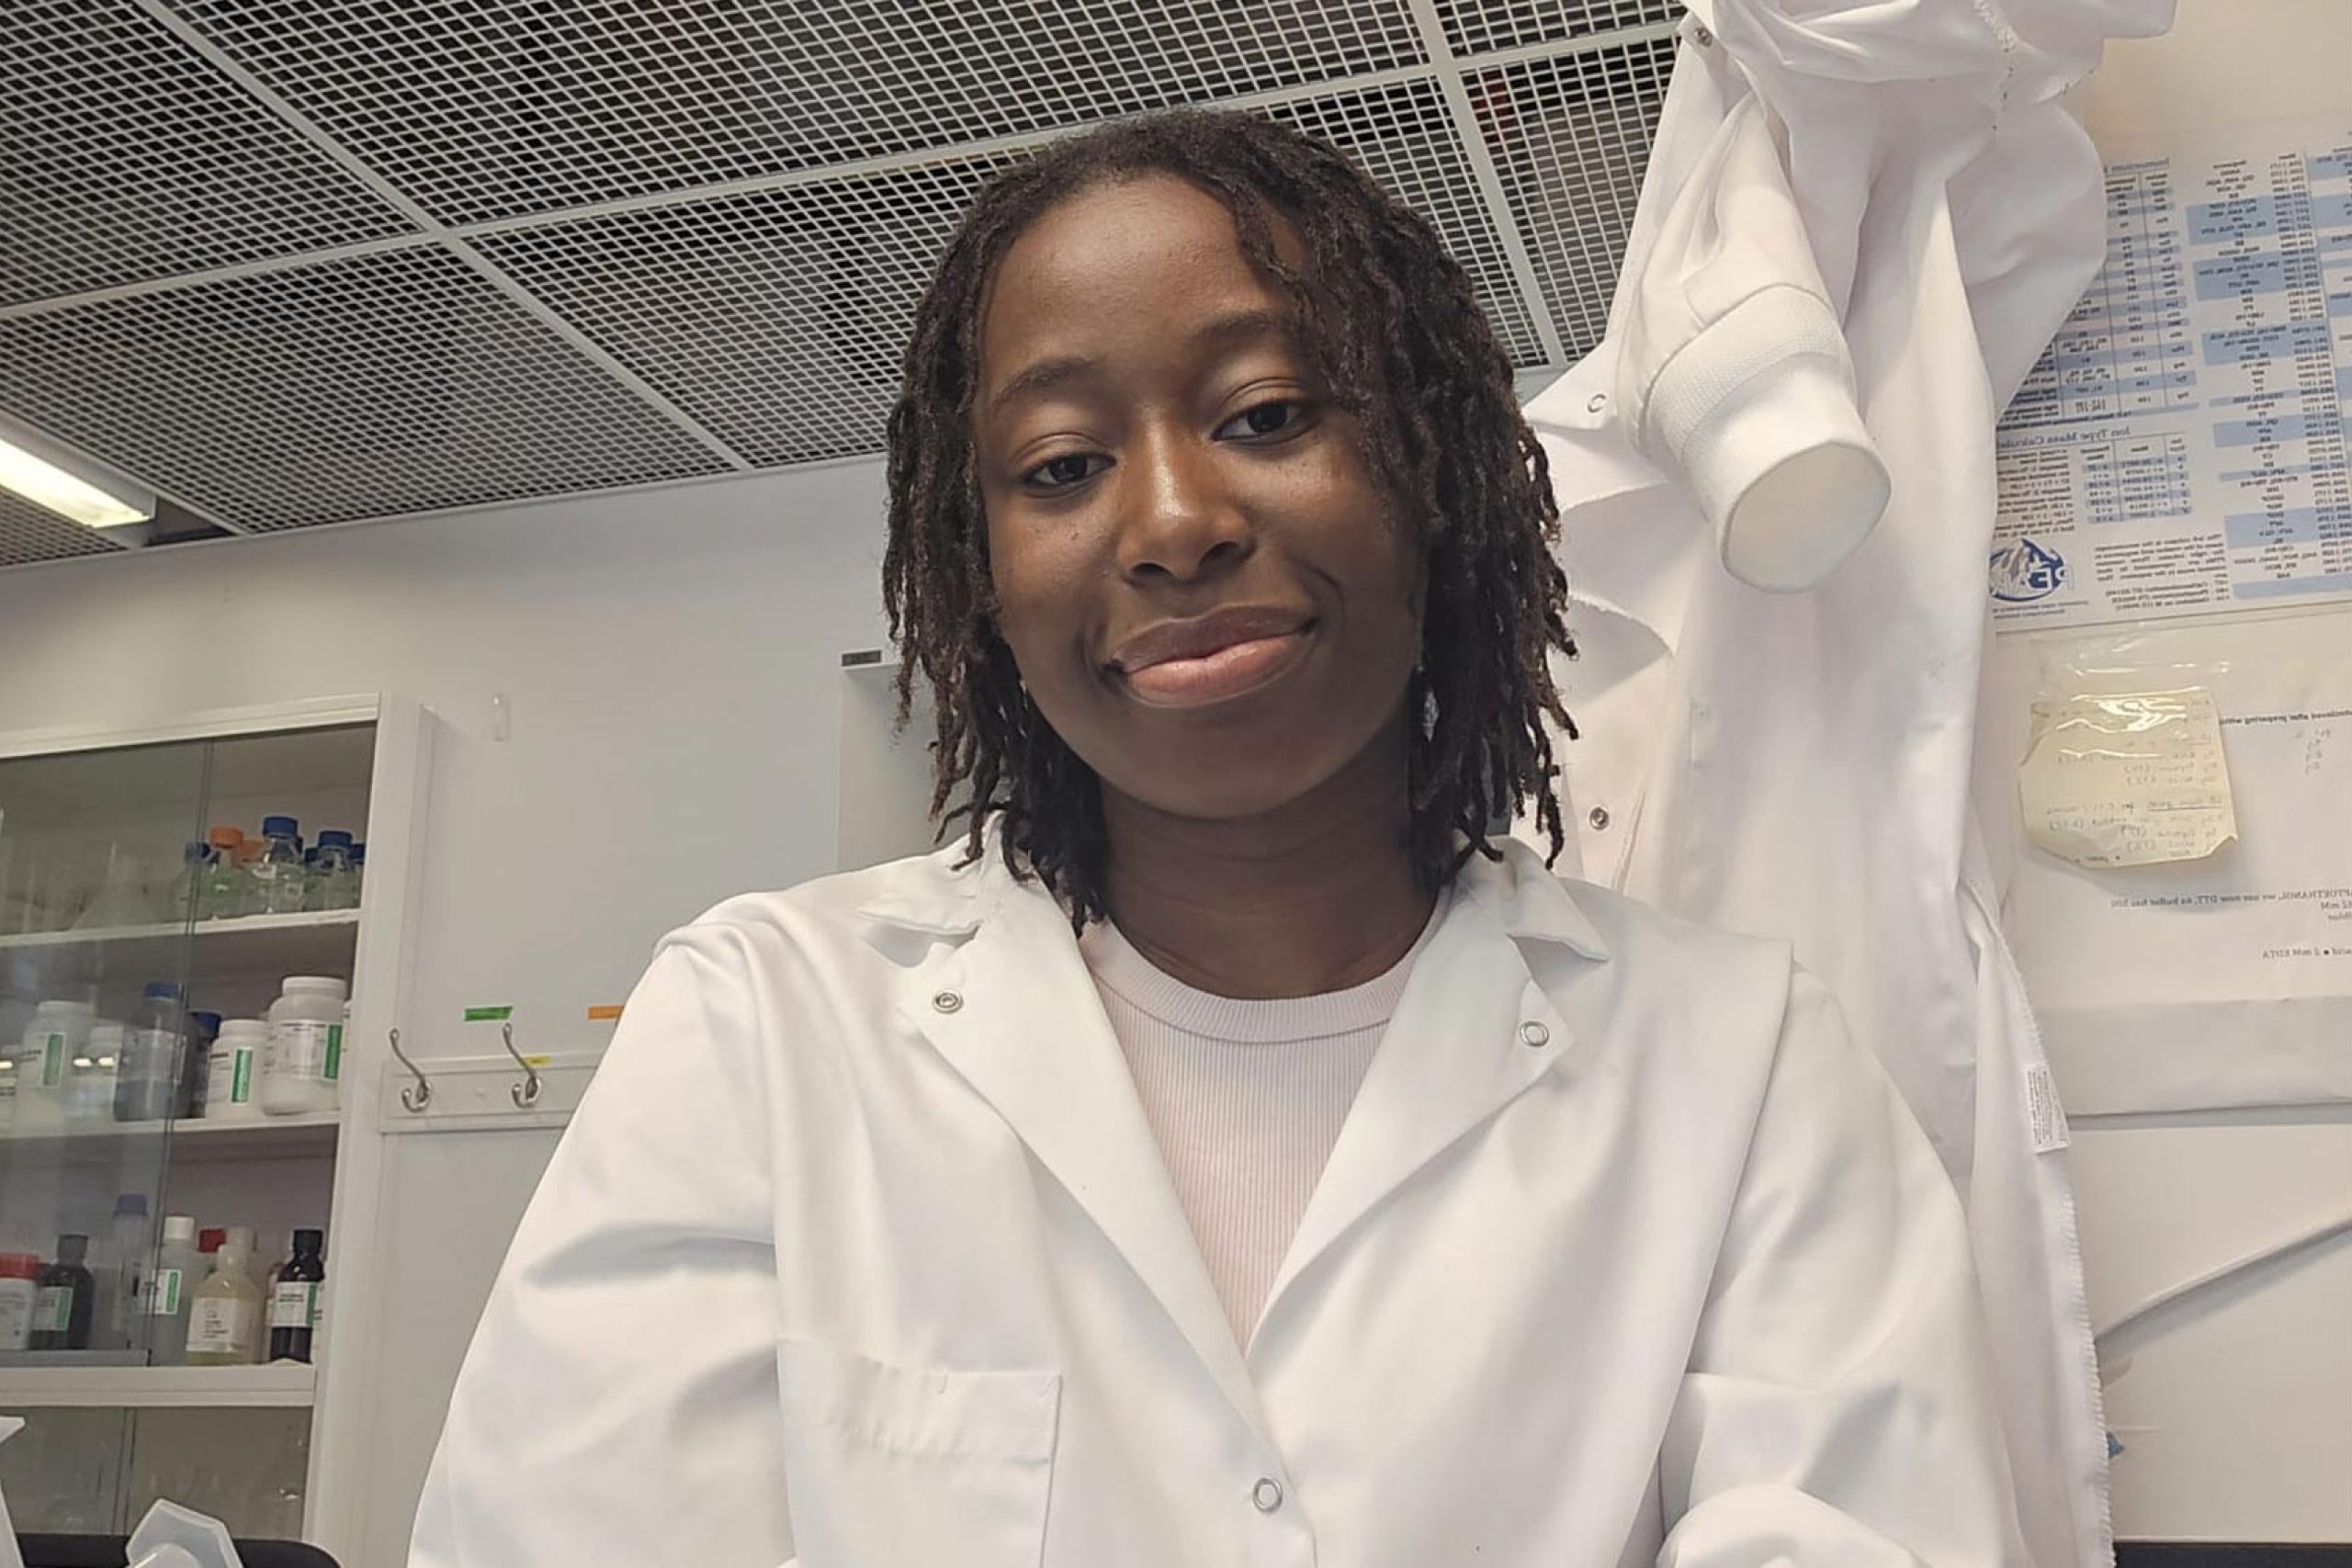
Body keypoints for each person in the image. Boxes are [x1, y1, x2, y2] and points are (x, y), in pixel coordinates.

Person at [412, 111, 2025, 1566]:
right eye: (1062, 466)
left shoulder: (1742, 1063)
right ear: (980, 577)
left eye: (1264, 413)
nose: (1173, 521)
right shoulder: (763, 1023)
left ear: (1439, 483)